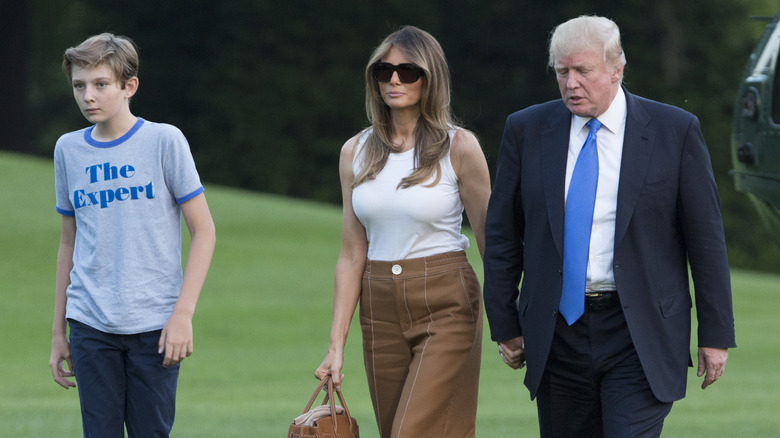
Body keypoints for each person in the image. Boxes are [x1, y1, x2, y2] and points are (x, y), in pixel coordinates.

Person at [483, 15, 736, 438]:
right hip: (557, 332)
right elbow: (503, 235)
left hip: (640, 333)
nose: (570, 83)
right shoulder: (526, 130)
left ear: (617, 69)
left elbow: (705, 239)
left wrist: (715, 334)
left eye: (583, 71)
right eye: (562, 72)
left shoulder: (675, 131)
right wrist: (505, 322)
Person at [314, 25, 491, 438]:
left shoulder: (459, 147)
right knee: (395, 428)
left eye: (408, 71)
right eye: (384, 70)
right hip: (379, 308)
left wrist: (510, 323)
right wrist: (335, 345)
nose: (394, 79)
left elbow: (489, 240)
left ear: (431, 79)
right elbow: (352, 253)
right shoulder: (354, 151)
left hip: (447, 302)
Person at [48, 33, 216, 437]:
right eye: (79, 85)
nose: (88, 95)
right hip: (89, 324)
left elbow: (204, 231)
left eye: (100, 84)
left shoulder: (164, 141)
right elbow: (68, 240)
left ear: (129, 86)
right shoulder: (68, 150)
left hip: (155, 326)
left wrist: (182, 315)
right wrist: (58, 331)